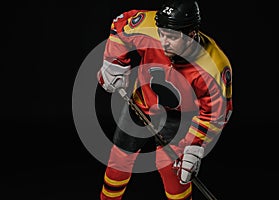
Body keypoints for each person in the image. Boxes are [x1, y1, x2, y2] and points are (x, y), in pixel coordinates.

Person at [97, 0, 233, 199]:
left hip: (178, 118)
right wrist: (114, 63)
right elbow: (121, 24)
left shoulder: (213, 66)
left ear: (191, 35)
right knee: (118, 161)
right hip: (141, 104)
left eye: (172, 37)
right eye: (162, 34)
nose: (164, 41)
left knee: (172, 172)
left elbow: (217, 113)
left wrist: (195, 145)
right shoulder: (149, 28)